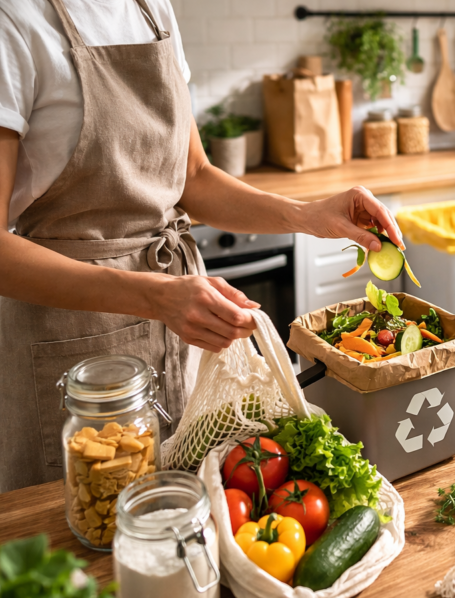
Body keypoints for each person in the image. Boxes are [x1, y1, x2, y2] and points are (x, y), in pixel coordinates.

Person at [0, 0, 404, 492]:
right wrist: (153, 297)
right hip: (74, 339)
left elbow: (193, 178)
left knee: (190, 506)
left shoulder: (152, 10)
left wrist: (309, 216)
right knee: (90, 533)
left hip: (178, 326)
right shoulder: (16, 20)